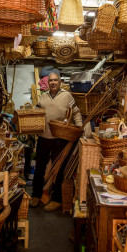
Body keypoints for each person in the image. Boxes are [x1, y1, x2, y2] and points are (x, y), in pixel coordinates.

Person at [30, 72, 83, 212]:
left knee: (59, 170)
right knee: (39, 168)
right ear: (48, 83)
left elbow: (76, 112)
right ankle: (36, 195)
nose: (53, 82)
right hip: (43, 137)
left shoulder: (67, 96)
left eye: (55, 80)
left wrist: (80, 128)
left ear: (60, 82)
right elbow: (36, 113)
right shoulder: (43, 97)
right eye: (51, 80)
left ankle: (57, 199)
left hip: (60, 139)